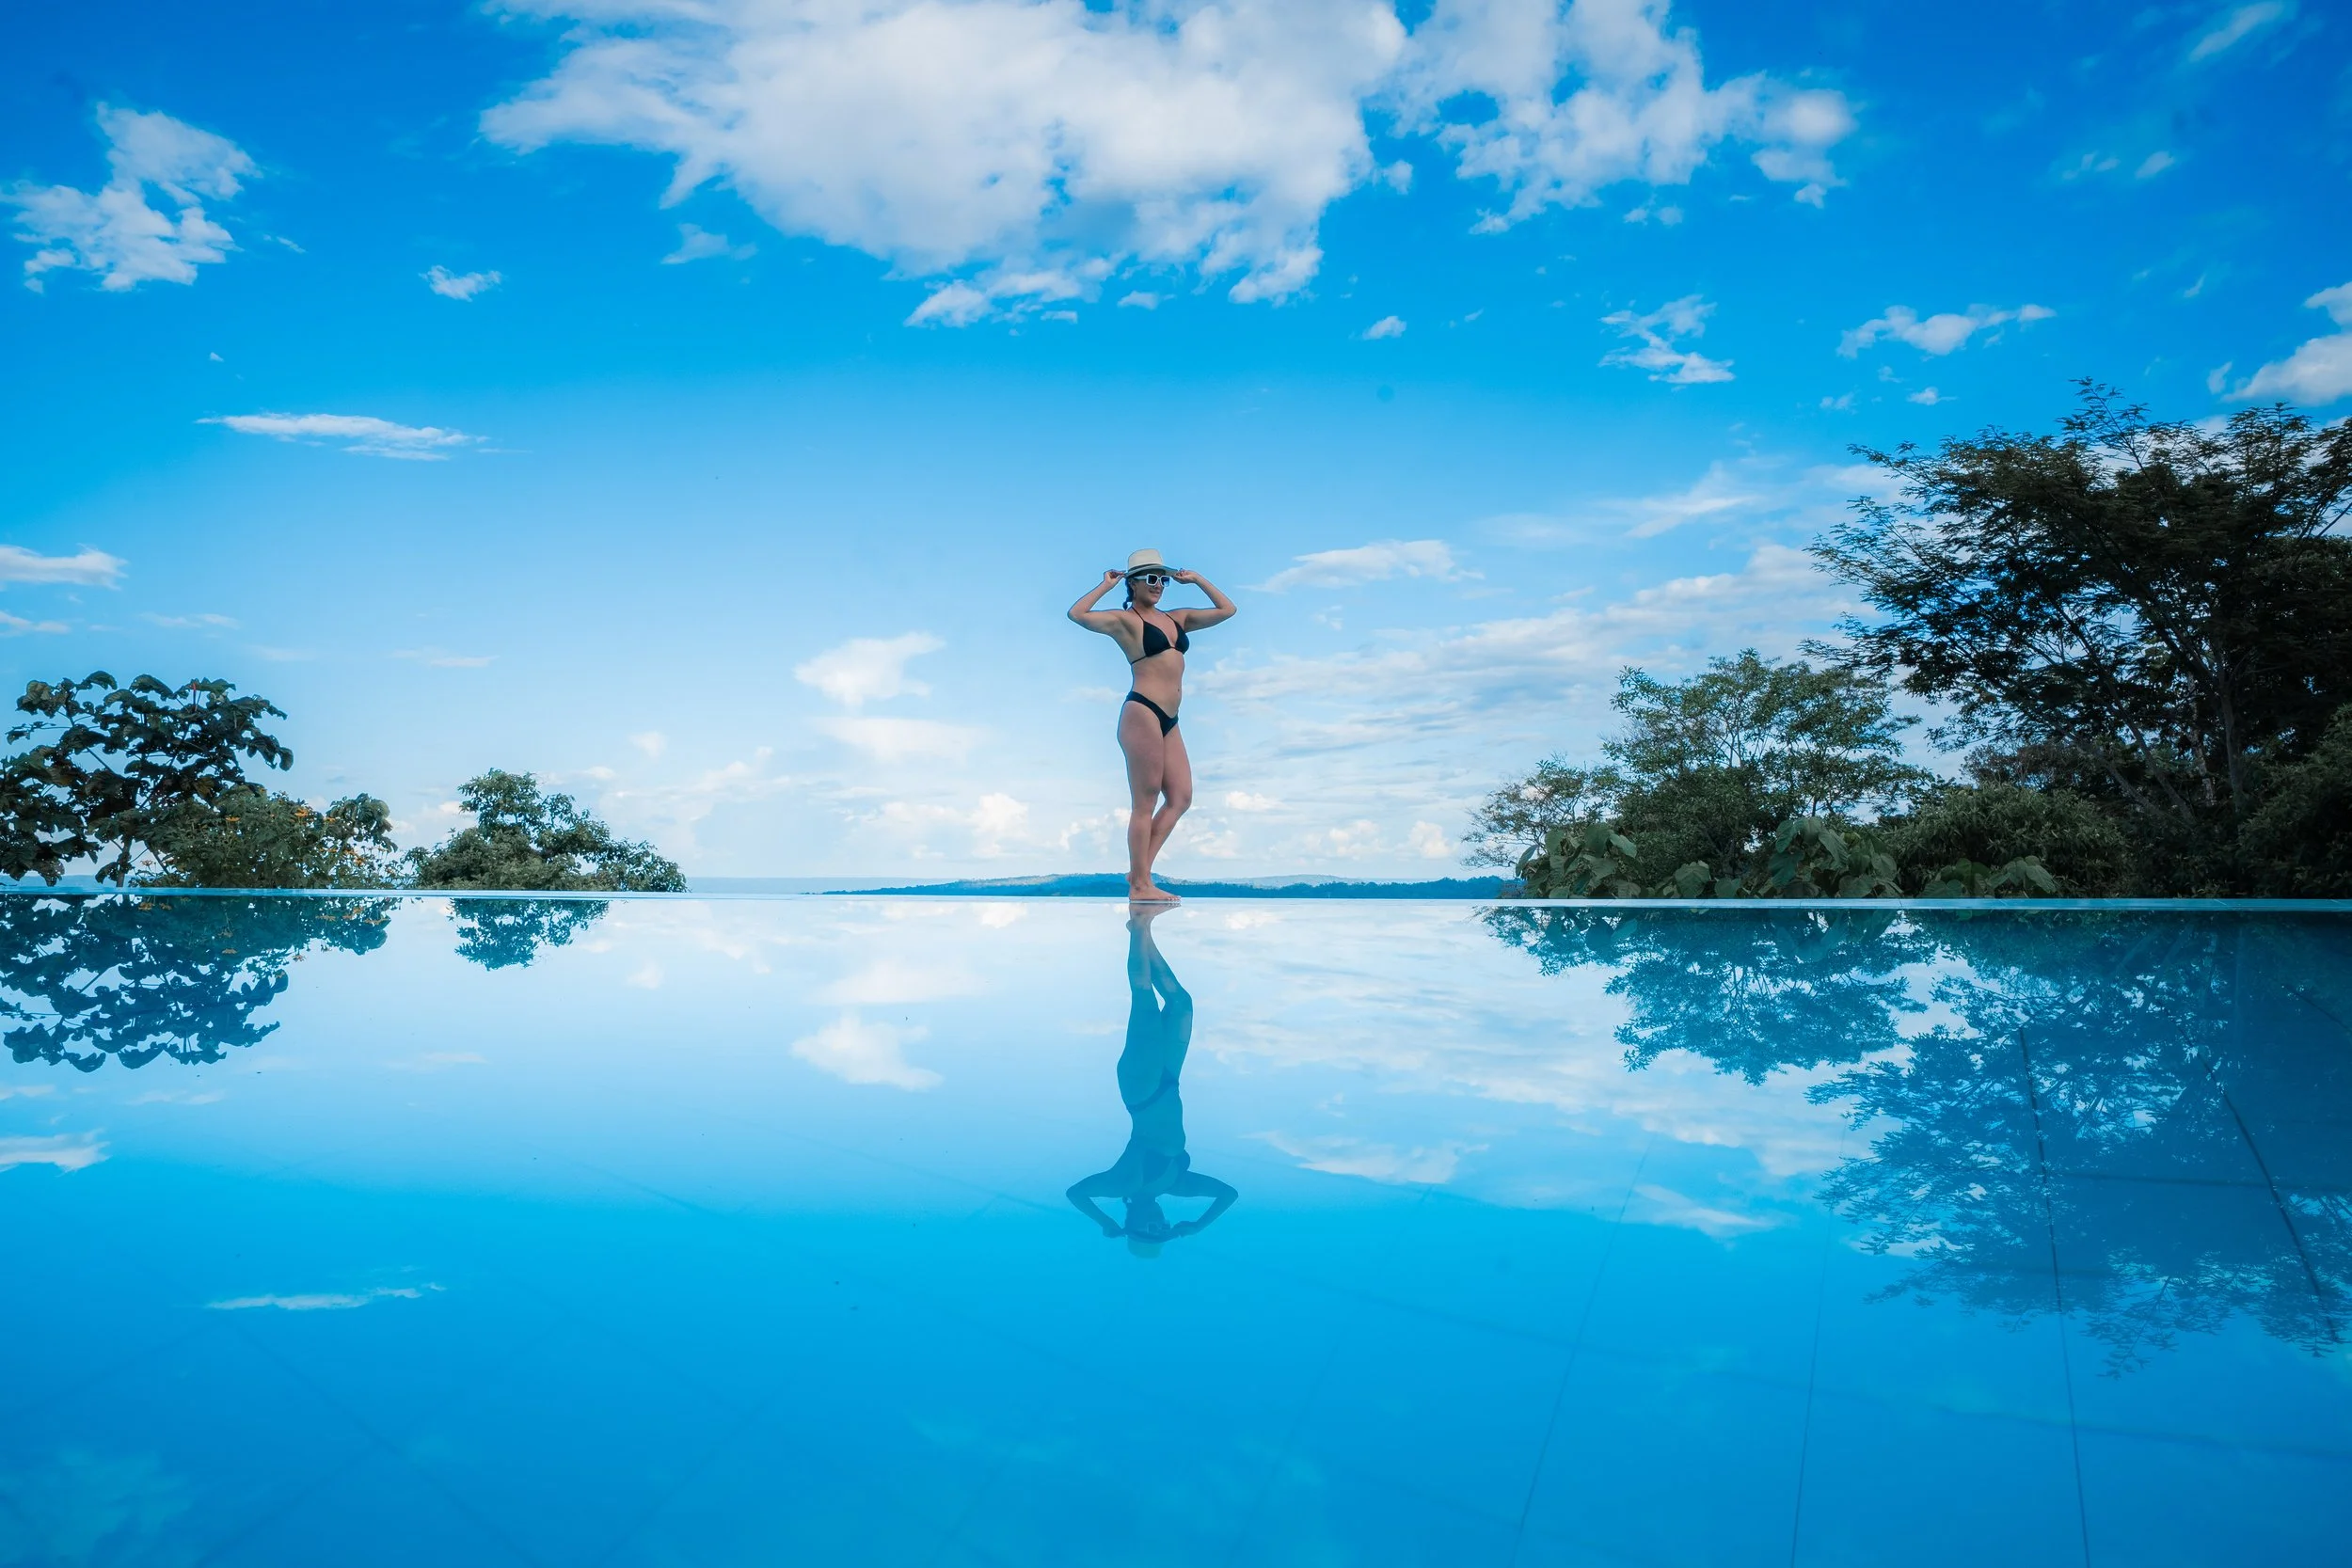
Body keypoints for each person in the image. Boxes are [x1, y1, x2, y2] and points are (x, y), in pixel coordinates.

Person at [1066, 906, 1237, 1258]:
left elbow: (1076, 1194)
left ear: (1133, 1225)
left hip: (1141, 1089)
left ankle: (1138, 928)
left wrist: (1105, 1222)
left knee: (1143, 1000)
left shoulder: (1123, 1184)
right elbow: (1228, 1194)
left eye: (1149, 1232)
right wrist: (1198, 1225)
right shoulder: (1175, 1184)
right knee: (1181, 1005)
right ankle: (1143, 931)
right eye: (1162, 1232)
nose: (1159, 1227)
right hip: (1168, 1082)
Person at [1067, 549, 1237, 903]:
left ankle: (1139, 871)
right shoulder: (1126, 621)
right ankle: (1141, 884)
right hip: (1142, 711)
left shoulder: (1177, 618)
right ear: (1133, 583)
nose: (1158, 585)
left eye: (1162, 578)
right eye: (1150, 578)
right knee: (1144, 803)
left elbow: (1227, 610)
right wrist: (1105, 585)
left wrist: (1198, 579)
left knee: (1181, 797)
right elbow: (1077, 614)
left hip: (1171, 719)